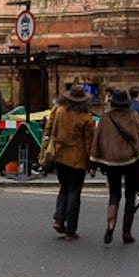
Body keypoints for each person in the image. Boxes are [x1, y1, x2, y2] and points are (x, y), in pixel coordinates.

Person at [90, 88, 139, 245]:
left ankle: (110, 224)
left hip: (111, 163)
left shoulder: (105, 118)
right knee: (130, 196)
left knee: (114, 195)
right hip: (131, 162)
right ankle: (126, 232)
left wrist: (93, 163)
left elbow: (97, 140)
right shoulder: (134, 116)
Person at [45, 85, 95, 241]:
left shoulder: (58, 110)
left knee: (64, 188)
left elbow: (48, 129)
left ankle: (59, 219)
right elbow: (89, 143)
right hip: (77, 159)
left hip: (60, 155)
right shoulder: (86, 118)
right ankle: (71, 230)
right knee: (74, 192)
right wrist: (91, 163)